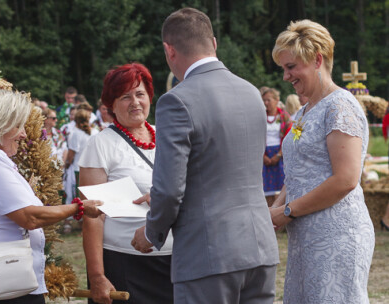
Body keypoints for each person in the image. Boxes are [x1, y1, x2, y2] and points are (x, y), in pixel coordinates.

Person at [131, 8, 279, 304]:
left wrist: (151, 232)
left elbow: (170, 189)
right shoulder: (251, 92)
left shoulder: (177, 100)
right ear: (213, 42)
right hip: (260, 246)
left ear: (168, 50)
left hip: (208, 253)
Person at [0, 89, 102, 304]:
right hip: (0, 280)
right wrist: (78, 208)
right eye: (18, 126)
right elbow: (30, 217)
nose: (24, 134)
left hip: (3, 278)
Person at [270, 20, 375, 303]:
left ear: (317, 60)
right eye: (283, 68)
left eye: (291, 67)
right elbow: (298, 172)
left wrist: (288, 211)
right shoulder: (304, 111)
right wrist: (276, 207)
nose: (285, 76)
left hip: (337, 234)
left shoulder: (340, 106)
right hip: (306, 232)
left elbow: (345, 179)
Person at [79, 63, 174, 304]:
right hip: (125, 263)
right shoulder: (100, 145)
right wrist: (97, 275)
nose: (135, 102)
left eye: (140, 94)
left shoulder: (168, 136)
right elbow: (93, 216)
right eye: (125, 96)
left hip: (176, 262)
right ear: (111, 104)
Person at [261, 87, 292, 206]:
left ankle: (280, 217)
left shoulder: (284, 116)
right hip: (264, 155)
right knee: (266, 191)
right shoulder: (260, 116)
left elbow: (288, 137)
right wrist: (263, 156)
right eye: (264, 100)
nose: (266, 103)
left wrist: (279, 154)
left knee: (280, 190)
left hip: (279, 154)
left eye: (268, 100)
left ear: (276, 100)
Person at [63, 104, 98, 206]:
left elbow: (71, 154)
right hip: (93, 167)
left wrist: (67, 165)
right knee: (90, 193)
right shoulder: (95, 132)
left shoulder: (76, 134)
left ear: (76, 120)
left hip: (78, 168)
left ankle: (80, 215)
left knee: (80, 194)